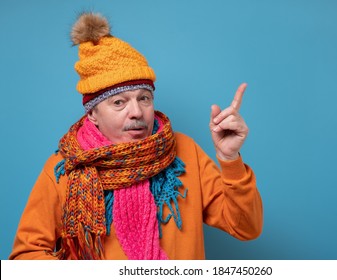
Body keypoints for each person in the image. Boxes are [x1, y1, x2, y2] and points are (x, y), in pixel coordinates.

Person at [9, 12, 263, 260]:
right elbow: (26, 255)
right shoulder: (65, 168)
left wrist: (230, 158)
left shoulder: (185, 150)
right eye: (119, 102)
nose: (137, 112)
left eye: (144, 98)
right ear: (93, 114)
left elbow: (246, 227)